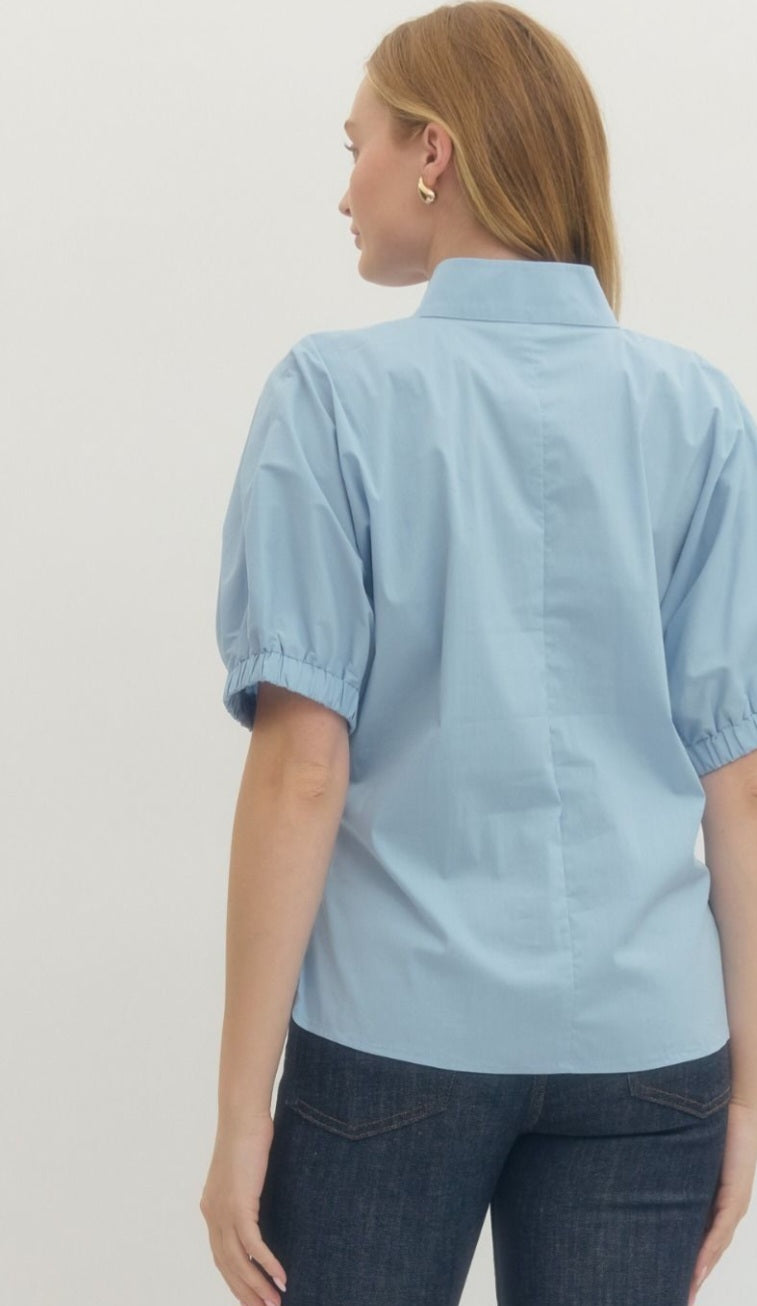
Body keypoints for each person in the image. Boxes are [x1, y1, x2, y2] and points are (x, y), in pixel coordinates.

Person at [199, 4, 757, 1304]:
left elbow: (301, 769)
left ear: (432, 153)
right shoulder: (697, 410)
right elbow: (737, 784)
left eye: (358, 145)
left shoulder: (330, 396)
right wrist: (750, 1094)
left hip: (393, 1036)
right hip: (650, 1047)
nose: (345, 187)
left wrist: (238, 1113)